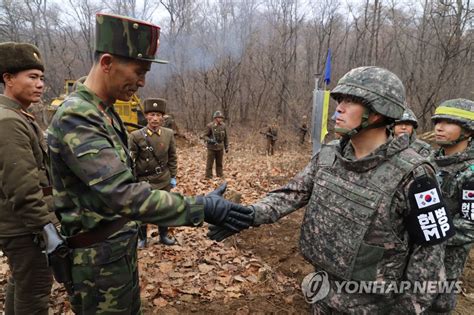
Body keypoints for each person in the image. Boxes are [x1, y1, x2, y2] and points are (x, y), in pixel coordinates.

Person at [47, 13, 253, 314]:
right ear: (107, 63)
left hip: (115, 252)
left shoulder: (103, 111)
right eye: (139, 71)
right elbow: (123, 194)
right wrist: (201, 208)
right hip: (96, 264)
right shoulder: (77, 116)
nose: (143, 82)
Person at [209, 66, 454, 314]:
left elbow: (430, 253)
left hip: (375, 307)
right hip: (322, 293)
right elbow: (291, 194)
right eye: (340, 100)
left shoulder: (415, 175)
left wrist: (408, 309)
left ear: (379, 112)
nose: (339, 108)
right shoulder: (329, 155)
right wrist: (249, 214)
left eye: (351, 102)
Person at [0, 42, 55, 315]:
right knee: (34, 289)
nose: (40, 84)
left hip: (19, 223)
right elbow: (22, 186)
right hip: (23, 226)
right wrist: (46, 227)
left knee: (21, 283)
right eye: (32, 77)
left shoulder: (19, 115)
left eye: (41, 78)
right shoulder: (8, 120)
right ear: (8, 79)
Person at [427, 99, 474, 314]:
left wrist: (429, 234)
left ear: (468, 131)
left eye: (448, 123)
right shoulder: (428, 161)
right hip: (414, 259)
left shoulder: (470, 173)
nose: (439, 127)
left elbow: (469, 226)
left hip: (446, 264)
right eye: (437, 121)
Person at [129, 98, 177, 246]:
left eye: (158, 115)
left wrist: (173, 176)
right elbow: (131, 160)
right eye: (151, 115)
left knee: (164, 208)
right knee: (143, 210)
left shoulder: (168, 134)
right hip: (144, 180)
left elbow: (172, 156)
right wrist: (131, 179)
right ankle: (142, 238)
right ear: (146, 116)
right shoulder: (136, 136)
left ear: (163, 117)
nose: (155, 118)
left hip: (163, 178)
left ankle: (163, 236)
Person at [202, 110, 229, 178]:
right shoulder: (210, 126)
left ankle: (219, 175)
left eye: (221, 117)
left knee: (219, 163)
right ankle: (208, 176)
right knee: (210, 163)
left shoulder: (223, 126)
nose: (220, 119)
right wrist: (210, 140)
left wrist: (226, 147)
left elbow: (226, 137)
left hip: (220, 147)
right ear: (215, 118)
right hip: (211, 147)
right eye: (219, 117)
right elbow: (204, 136)